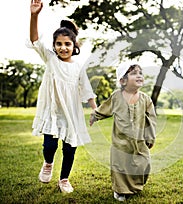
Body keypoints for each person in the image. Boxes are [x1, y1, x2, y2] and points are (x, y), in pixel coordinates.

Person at [28, 0, 97, 193]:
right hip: (52, 112)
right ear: (54, 46)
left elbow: (87, 90)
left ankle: (64, 179)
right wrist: (34, 15)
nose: (63, 48)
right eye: (59, 44)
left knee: (69, 149)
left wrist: (94, 109)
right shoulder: (50, 59)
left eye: (67, 44)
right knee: (49, 146)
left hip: (71, 113)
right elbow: (34, 40)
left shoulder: (77, 67)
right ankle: (48, 163)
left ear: (74, 45)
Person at [90, 63, 156, 201]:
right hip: (120, 141)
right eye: (133, 73)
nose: (139, 75)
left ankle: (135, 185)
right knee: (120, 166)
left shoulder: (145, 99)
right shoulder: (117, 96)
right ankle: (120, 190)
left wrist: (150, 137)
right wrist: (95, 116)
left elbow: (151, 119)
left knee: (144, 163)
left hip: (140, 139)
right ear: (123, 80)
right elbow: (105, 108)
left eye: (140, 72)